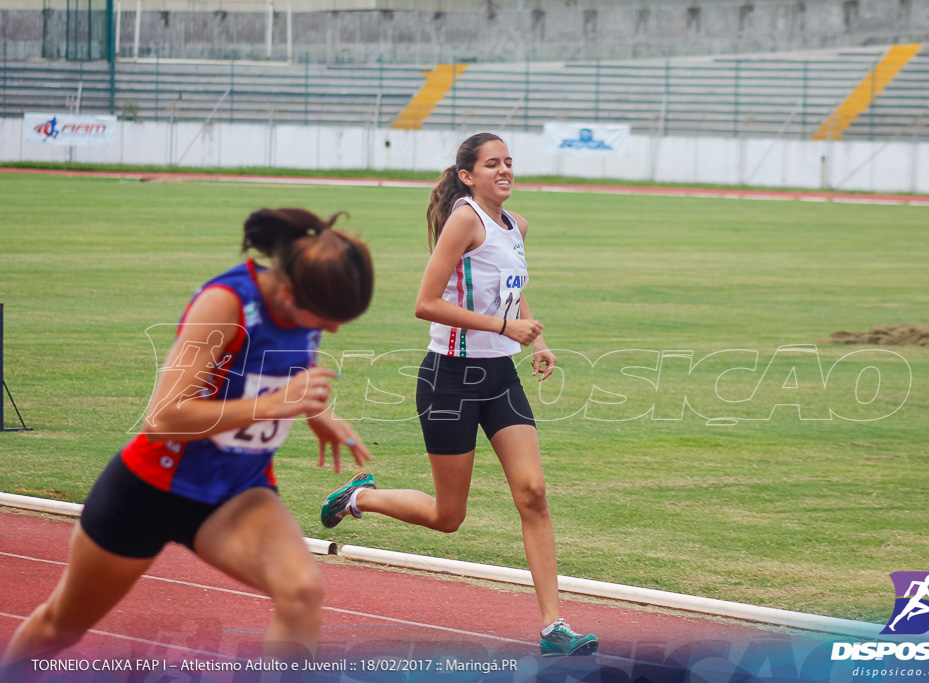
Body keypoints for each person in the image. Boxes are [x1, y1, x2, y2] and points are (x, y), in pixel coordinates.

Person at [1, 208, 374, 669]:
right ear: (289, 288)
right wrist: (278, 404)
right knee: (61, 626)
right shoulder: (226, 303)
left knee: (301, 591)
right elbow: (164, 416)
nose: (332, 328)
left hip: (238, 491)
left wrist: (317, 412)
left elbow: (279, 373)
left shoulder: (312, 302)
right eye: (325, 316)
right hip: (150, 491)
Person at [319, 133, 598, 657]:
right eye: (493, 164)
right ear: (468, 175)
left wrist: (536, 338)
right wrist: (501, 325)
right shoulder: (464, 219)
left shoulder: (517, 226)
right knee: (449, 517)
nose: (505, 170)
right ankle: (359, 498)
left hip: (500, 379)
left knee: (533, 493)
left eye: (509, 162)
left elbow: (511, 289)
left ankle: (553, 626)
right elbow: (424, 303)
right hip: (449, 379)